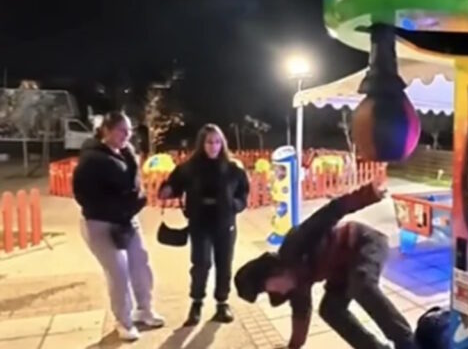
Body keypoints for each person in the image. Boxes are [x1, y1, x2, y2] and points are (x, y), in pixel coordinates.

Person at [234, 182, 417, 349]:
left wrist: (367, 194)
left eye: (269, 288)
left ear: (272, 272)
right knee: (330, 309)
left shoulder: (295, 244)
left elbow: (329, 213)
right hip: (342, 271)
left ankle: (407, 341)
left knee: (361, 283)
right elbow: (301, 319)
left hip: (363, 243)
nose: (276, 292)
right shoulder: (298, 289)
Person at [72, 111, 164, 342]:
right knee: (118, 271)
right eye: (122, 130)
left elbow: (133, 183)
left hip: (127, 220)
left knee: (140, 263)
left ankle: (144, 309)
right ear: (106, 130)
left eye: (129, 130)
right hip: (100, 222)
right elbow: (84, 195)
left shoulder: (126, 152)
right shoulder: (91, 160)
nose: (127, 135)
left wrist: (137, 198)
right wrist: (122, 205)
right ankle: (123, 321)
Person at [158, 124, 250, 326]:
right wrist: (167, 189)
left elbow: (243, 194)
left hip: (225, 223)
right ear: (201, 143)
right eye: (209, 142)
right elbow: (174, 184)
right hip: (200, 223)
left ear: (222, 143)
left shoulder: (233, 169)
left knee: (224, 263)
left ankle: (222, 302)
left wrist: (234, 205)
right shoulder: (190, 167)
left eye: (217, 142)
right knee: (201, 263)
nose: (213, 146)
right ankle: (197, 302)